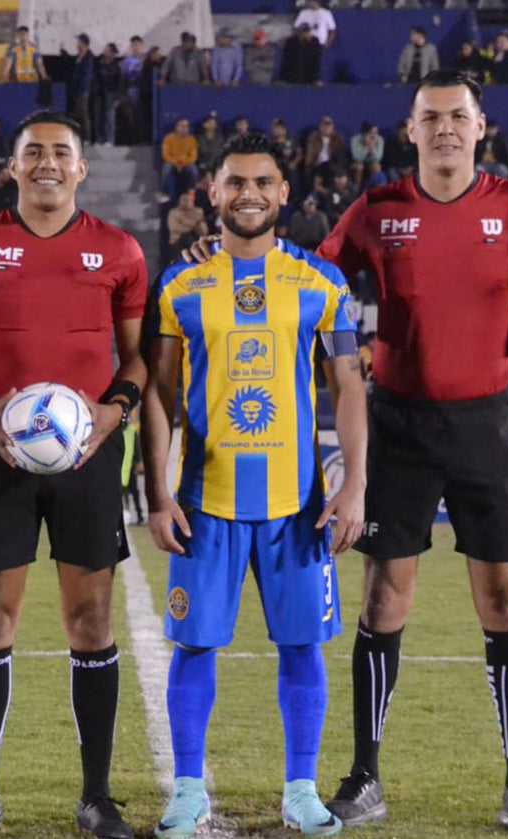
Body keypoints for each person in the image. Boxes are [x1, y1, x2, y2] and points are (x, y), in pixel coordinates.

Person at [179, 69, 508, 833]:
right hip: (399, 425)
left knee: (504, 599)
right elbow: (304, 273)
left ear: (479, 127)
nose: (443, 127)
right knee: (382, 598)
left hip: (485, 426)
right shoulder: (377, 209)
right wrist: (230, 250)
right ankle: (363, 776)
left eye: (456, 116)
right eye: (429, 116)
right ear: (410, 130)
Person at [0, 110, 146, 839]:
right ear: (12, 166)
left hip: (87, 458)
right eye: (33, 153)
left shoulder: (117, 251)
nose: (47, 163)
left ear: (81, 168)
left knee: (90, 620)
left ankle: (97, 797)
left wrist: (114, 413)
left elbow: (139, 358)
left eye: (61, 153)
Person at [144, 132, 366, 839]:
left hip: (296, 507)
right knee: (195, 644)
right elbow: (159, 393)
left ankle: (301, 789)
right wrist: (158, 491)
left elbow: (350, 386)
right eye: (235, 181)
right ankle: (187, 790)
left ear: (283, 192)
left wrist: (354, 484)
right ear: (211, 192)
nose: (249, 193)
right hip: (204, 503)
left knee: (302, 646)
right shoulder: (180, 284)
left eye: (262, 182)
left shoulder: (322, 282)